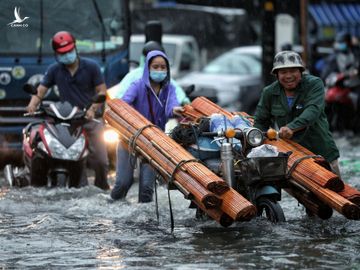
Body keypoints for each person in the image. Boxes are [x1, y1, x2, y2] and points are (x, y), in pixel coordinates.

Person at [26, 31, 110, 190]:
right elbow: (41, 91)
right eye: (62, 53)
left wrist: (92, 109)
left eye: (69, 51)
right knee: (54, 153)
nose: (67, 55)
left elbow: (102, 91)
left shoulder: (91, 67)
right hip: (66, 122)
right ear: (57, 54)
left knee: (101, 160)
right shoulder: (54, 70)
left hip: (89, 120)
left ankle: (103, 191)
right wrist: (32, 104)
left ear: (75, 47)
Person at [111, 50, 183, 202]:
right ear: (147, 68)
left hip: (153, 143)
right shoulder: (137, 86)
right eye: (155, 67)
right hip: (129, 139)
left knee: (146, 189)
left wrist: (176, 110)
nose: (159, 70)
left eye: (163, 67)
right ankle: (113, 207)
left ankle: (145, 222)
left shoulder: (170, 89)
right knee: (123, 183)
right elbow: (124, 104)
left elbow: (172, 106)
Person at [254, 51, 341, 176]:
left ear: (301, 72)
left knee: (334, 190)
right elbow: (261, 121)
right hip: (293, 156)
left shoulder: (314, 84)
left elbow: (312, 111)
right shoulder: (269, 92)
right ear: (277, 75)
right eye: (283, 72)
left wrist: (291, 128)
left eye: (293, 71)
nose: (288, 76)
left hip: (321, 151)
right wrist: (256, 142)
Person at [107, 40, 190, 105]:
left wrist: (183, 100)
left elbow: (177, 94)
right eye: (155, 65)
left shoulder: (166, 80)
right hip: (137, 122)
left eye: (162, 65)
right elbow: (121, 99)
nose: (159, 70)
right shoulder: (134, 78)